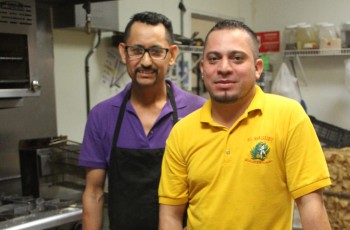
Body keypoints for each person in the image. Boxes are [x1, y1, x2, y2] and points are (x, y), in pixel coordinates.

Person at [158, 20, 332, 230]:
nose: (223, 68)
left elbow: (311, 203)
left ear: (257, 68)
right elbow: (170, 215)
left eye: (237, 58)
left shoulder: (288, 117)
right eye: (213, 59)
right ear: (203, 69)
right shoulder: (182, 132)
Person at [79, 11, 205, 230]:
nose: (145, 61)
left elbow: (209, 189)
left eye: (156, 51)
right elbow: (94, 192)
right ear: (123, 52)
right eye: (137, 50)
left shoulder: (198, 111)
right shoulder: (102, 115)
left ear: (172, 54)